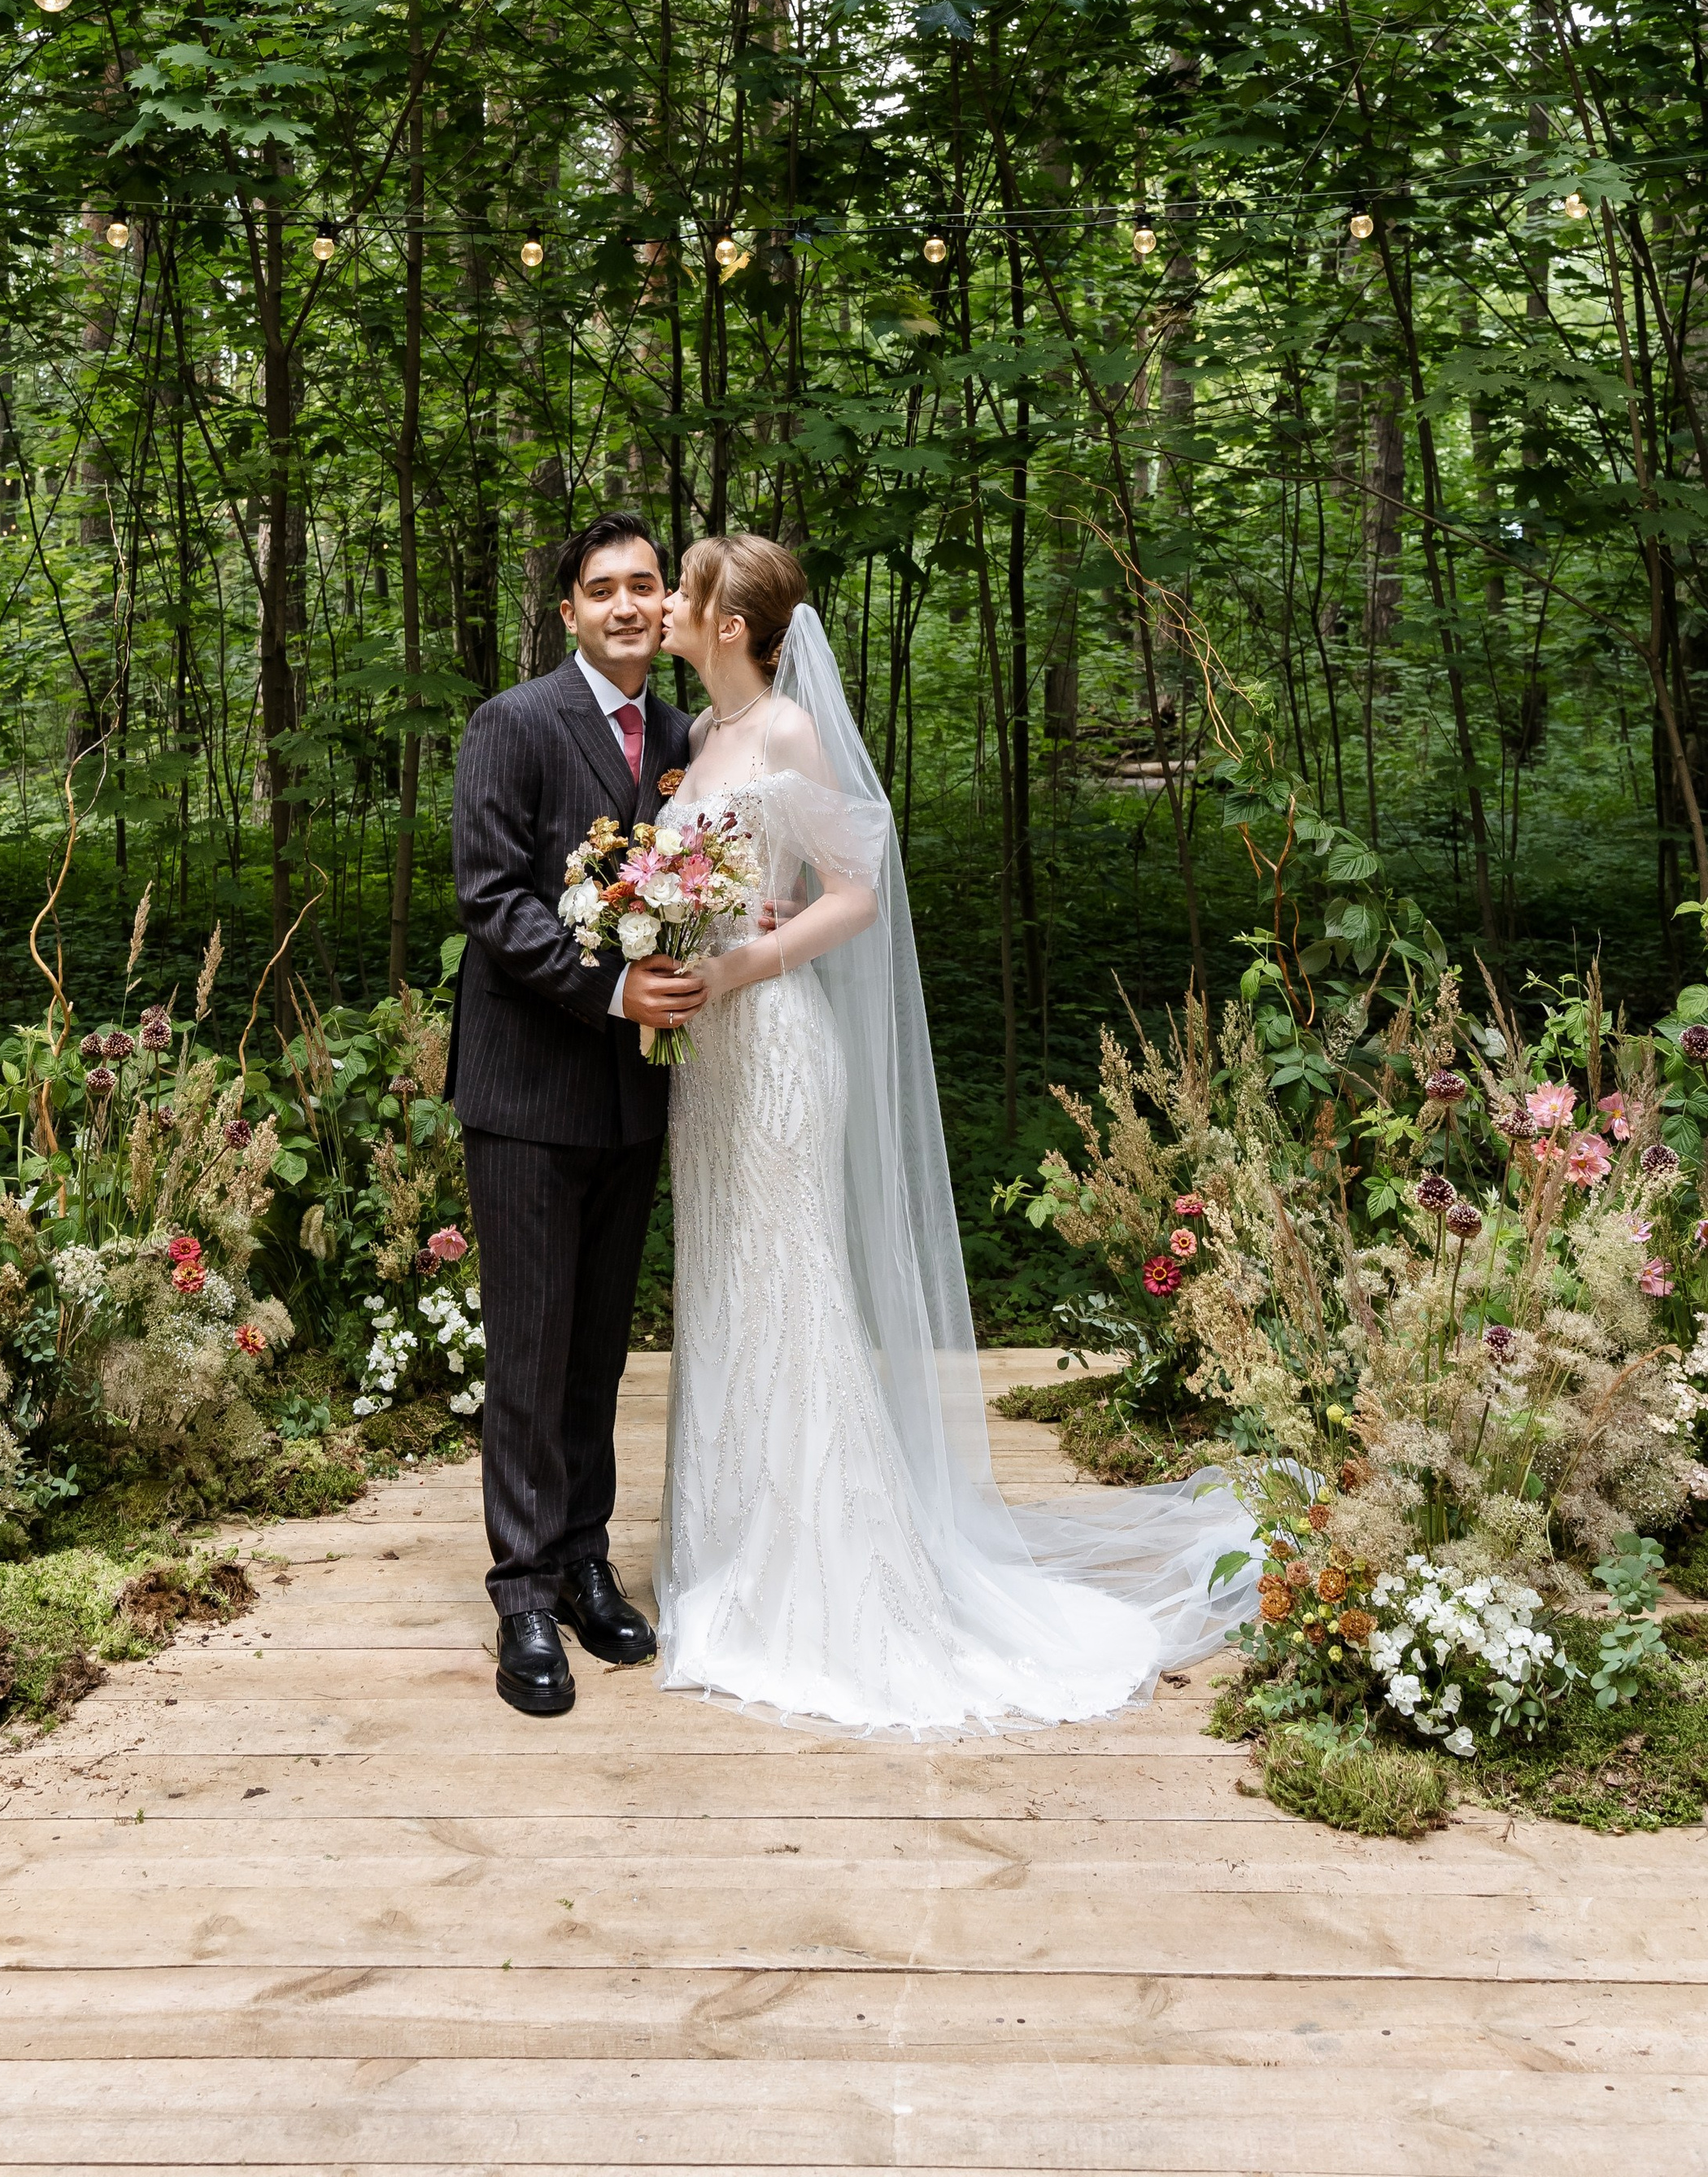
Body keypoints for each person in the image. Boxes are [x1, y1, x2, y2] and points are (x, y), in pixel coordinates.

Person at [653, 530, 1259, 1733]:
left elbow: (858, 894)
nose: (666, 602)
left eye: (685, 586)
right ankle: (732, 1548)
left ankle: (828, 1577)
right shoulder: (702, 741)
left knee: (793, 1287)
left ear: (731, 622)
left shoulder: (782, 730)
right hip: (704, 1062)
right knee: (727, 1284)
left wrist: (742, 966)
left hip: (772, 1044)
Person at [446, 512, 699, 1717]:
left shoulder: (686, 736)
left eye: (646, 586)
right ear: (569, 613)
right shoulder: (515, 724)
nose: (629, 606)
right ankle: (524, 1593)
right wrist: (611, 985)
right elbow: (492, 899)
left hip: (633, 1095)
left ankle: (589, 1559)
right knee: (531, 1354)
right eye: (604, 590)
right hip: (530, 1090)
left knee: (600, 1349)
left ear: (669, 602)